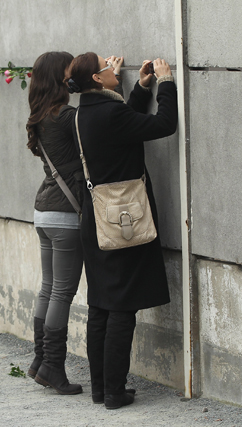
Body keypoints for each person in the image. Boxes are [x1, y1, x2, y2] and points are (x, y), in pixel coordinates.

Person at [64, 53, 178, 409]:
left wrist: (142, 87)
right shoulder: (109, 113)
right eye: (106, 67)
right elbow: (163, 125)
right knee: (122, 307)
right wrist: (167, 83)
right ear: (98, 79)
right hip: (123, 222)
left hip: (96, 220)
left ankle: (101, 389)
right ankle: (115, 392)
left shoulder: (82, 113)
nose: (114, 69)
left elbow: (122, 124)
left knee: (100, 304)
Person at [25, 51, 85, 395]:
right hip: (65, 215)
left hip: (44, 212)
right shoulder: (67, 116)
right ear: (59, 78)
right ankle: (52, 367)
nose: (73, 75)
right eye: (70, 71)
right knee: (62, 291)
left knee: (48, 288)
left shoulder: (42, 114)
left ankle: (39, 361)